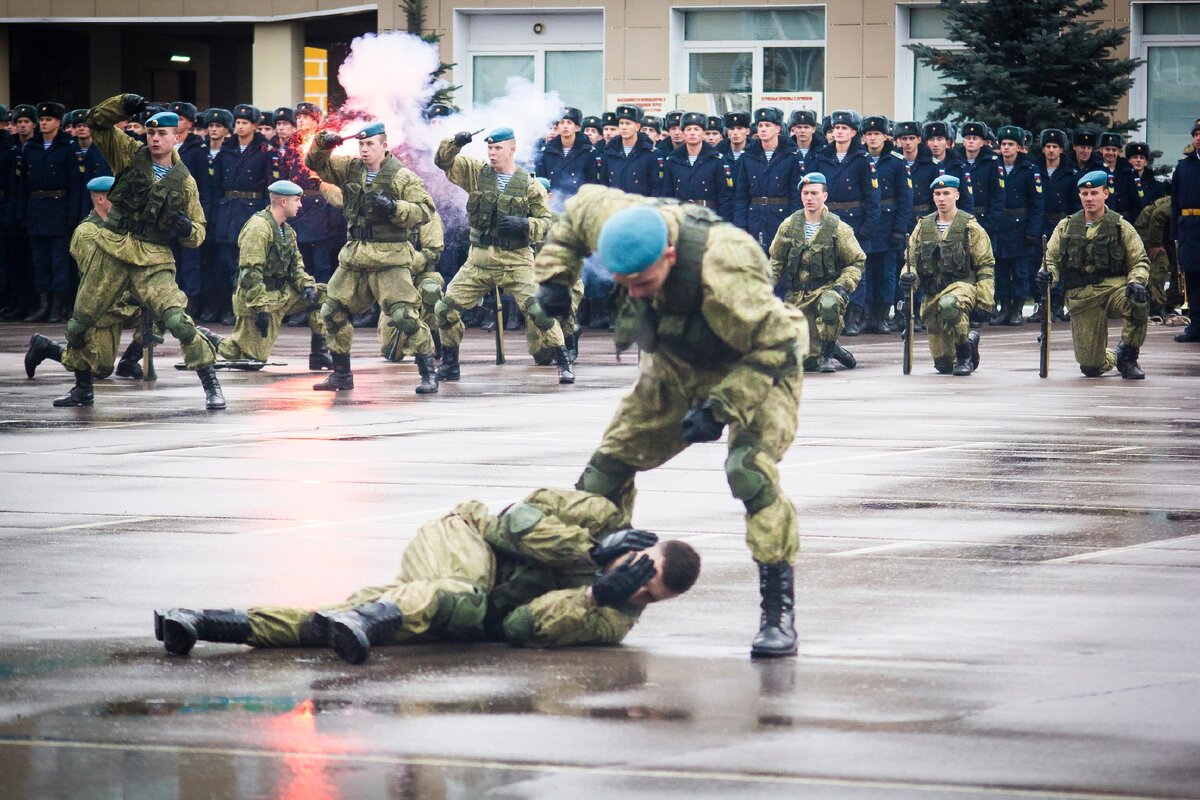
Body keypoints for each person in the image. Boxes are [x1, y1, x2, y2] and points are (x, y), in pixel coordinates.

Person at [535, 184, 806, 658]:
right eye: (624, 283)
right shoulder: (617, 220)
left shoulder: (725, 269)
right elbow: (575, 213)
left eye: (642, 281)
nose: (634, 292)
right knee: (607, 468)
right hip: (675, 366)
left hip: (754, 365)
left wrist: (722, 408)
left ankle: (777, 611)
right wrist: (555, 278)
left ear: (671, 254)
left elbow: (781, 342)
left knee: (749, 471)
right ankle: (587, 578)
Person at [154, 487, 701, 664]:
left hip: (466, 601)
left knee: (331, 623)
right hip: (464, 535)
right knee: (460, 598)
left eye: (646, 592)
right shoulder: (606, 520)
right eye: (640, 571)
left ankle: (205, 622)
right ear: (644, 548)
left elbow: (518, 627)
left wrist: (589, 596)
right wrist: (588, 548)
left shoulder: (614, 619)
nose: (635, 585)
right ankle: (364, 620)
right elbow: (514, 520)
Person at [63, 97, 224, 409]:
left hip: (152, 257)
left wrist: (186, 228)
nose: (154, 138)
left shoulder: (185, 182)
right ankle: (82, 388)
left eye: (162, 133)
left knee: (178, 320)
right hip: (112, 248)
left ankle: (211, 384)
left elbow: (199, 232)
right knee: (80, 322)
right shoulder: (127, 153)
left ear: (176, 137)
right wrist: (122, 105)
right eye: (150, 133)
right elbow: (97, 122)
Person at [306, 121, 440, 394]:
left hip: (390, 256)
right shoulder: (350, 168)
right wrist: (323, 143)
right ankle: (341, 373)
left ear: (384, 146)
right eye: (362, 144)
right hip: (356, 254)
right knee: (331, 311)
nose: (365, 150)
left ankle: (428, 373)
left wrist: (394, 207)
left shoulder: (402, 177)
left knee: (404, 315)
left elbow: (425, 210)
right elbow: (315, 163)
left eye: (370, 144)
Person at [434, 126, 573, 384]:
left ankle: (563, 361)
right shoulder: (476, 173)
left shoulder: (530, 186)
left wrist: (525, 225)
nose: (492, 153)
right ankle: (450, 364)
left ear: (512, 150)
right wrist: (455, 142)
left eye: (498, 148)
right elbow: (443, 161)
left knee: (538, 310)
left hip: (516, 259)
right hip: (479, 259)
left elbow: (544, 221)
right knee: (445, 308)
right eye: (489, 148)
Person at [24, 175, 144, 403]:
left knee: (162, 311)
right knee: (100, 369)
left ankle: (130, 360)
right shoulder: (87, 232)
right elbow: (97, 277)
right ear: (100, 199)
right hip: (102, 308)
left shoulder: (122, 226)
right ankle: (46, 348)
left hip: (124, 303)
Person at [198, 180, 332, 370]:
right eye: (297, 200)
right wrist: (260, 308)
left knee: (325, 296)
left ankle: (319, 353)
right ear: (283, 202)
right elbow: (250, 273)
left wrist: (307, 286)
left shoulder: (287, 231)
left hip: (281, 295)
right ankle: (211, 339)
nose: (301, 205)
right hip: (257, 299)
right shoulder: (258, 228)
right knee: (252, 360)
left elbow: (296, 268)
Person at [1037, 170, 1152, 378]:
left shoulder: (1120, 226)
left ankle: (1129, 356)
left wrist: (1136, 282)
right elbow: (1051, 260)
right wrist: (1048, 275)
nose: (1089, 198)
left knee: (1138, 301)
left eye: (1094, 193)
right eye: (1084, 194)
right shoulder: (1066, 226)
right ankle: (1115, 356)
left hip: (1113, 290)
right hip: (1081, 297)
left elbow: (1140, 261)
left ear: (1106, 194)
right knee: (1090, 367)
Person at [769, 173, 865, 373]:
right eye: (805, 193)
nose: (809, 198)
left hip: (826, 290)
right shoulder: (789, 225)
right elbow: (777, 260)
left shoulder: (838, 228)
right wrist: (764, 285)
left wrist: (843, 285)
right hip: (797, 296)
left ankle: (827, 355)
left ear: (825, 196)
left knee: (830, 304)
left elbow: (856, 261)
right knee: (804, 363)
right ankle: (831, 348)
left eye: (814, 193)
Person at [899, 175, 995, 375]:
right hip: (932, 293)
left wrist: (985, 301)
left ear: (956, 195)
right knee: (943, 365)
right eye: (937, 194)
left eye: (946, 193)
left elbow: (985, 266)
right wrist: (909, 278)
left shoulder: (970, 227)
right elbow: (911, 262)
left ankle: (964, 355)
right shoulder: (922, 227)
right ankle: (968, 340)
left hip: (962, 287)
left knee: (949, 304)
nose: (941, 198)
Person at [810, 109, 881, 335]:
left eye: (844, 129)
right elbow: (812, 191)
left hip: (855, 220)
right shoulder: (821, 156)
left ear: (853, 133)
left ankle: (853, 315)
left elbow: (872, 197)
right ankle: (832, 314)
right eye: (836, 128)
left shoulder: (863, 159)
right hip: (828, 219)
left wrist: (867, 227)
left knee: (855, 271)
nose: (839, 132)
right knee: (827, 269)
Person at [853, 115, 914, 334]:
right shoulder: (858, 159)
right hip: (865, 225)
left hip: (889, 225)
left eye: (877, 134)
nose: (873, 138)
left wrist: (900, 228)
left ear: (886, 136)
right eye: (869, 134)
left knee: (887, 273)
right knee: (865, 272)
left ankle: (882, 316)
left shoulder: (896, 161)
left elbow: (906, 198)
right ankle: (867, 315)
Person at [20, 101, 77, 324]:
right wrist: (23, 212)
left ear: (58, 123)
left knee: (58, 261)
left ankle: (56, 306)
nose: (44, 123)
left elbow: (73, 182)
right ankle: (43, 305)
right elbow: (24, 183)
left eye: (48, 120)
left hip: (58, 208)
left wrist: (72, 214)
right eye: (41, 120)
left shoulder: (67, 147)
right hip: (36, 208)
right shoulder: (31, 147)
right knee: (40, 261)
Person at [988, 125, 1044, 327]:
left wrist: (1033, 231)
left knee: (1020, 272)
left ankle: (1017, 310)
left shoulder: (1029, 170)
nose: (1006, 148)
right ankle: (1004, 308)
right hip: (1000, 226)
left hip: (1021, 226)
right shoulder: (994, 166)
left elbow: (1037, 203)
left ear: (1020, 147)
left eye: (1011, 144)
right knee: (1001, 270)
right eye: (1003, 144)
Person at [379, 207, 446, 363]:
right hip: (397, 276)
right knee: (391, 351)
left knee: (431, 292)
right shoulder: (389, 211)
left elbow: (432, 253)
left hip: (423, 274)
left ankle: (436, 337)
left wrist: (404, 260)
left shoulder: (429, 214)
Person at [733, 107, 802, 258]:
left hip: (781, 216)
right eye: (760, 125)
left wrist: (794, 225)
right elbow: (741, 194)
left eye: (768, 125)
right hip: (755, 217)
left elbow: (796, 194)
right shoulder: (748, 156)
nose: (763, 129)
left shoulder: (791, 155)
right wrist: (741, 225)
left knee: (781, 265)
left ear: (777, 128)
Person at [1035, 129, 1081, 322]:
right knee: (1040, 263)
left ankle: (1057, 304)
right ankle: (1042, 304)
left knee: (1060, 263)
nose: (1051, 151)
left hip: (1061, 222)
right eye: (1048, 147)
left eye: (1055, 147)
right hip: (1041, 221)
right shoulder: (1036, 170)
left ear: (1061, 149)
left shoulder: (1070, 173)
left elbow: (1075, 203)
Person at [658, 111, 733, 221]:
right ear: (683, 133)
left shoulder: (717, 160)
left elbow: (724, 197)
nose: (692, 133)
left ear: (703, 133)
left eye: (696, 129)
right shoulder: (672, 161)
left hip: (709, 216)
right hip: (682, 217)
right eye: (688, 129)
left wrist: (723, 223)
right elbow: (667, 195)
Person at [1171, 122, 1200, 343]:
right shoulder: (1184, 166)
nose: (1199, 138)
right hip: (1188, 228)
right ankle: (1195, 326)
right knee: (1192, 277)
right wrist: (1175, 233)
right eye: (1196, 134)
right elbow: (1175, 203)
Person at [597, 104, 661, 197]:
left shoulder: (650, 153)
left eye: (628, 123)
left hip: (640, 207)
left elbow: (656, 187)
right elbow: (603, 184)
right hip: (615, 206)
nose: (623, 127)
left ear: (637, 126)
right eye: (621, 123)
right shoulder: (609, 152)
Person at [534, 106, 596, 203]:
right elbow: (540, 179)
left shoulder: (587, 151)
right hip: (552, 202)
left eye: (569, 123)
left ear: (577, 127)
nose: (565, 126)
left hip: (578, 203)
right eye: (562, 123)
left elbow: (592, 182)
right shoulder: (547, 151)